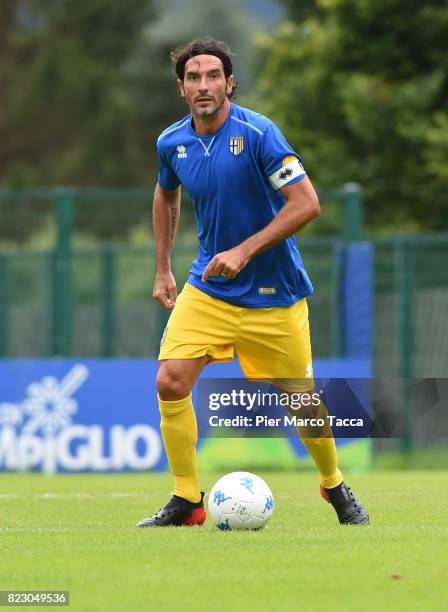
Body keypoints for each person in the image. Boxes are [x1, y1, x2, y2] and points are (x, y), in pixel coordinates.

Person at [137, 37, 369, 527]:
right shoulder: (171, 142)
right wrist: (163, 267)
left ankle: (334, 486)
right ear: (181, 88)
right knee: (169, 379)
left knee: (302, 399)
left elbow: (307, 203)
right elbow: (165, 195)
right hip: (209, 289)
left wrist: (244, 251)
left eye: (213, 76)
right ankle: (187, 500)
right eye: (194, 77)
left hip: (275, 294)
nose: (204, 85)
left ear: (229, 83)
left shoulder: (260, 134)